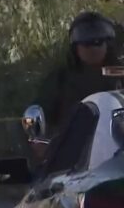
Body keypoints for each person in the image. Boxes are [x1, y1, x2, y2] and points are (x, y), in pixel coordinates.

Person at [31, 11, 123, 158]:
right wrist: (41, 143)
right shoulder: (60, 79)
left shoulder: (121, 74)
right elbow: (39, 116)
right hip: (74, 158)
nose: (93, 48)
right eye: (86, 42)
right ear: (75, 47)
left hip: (118, 152)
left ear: (108, 43)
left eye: (98, 41)